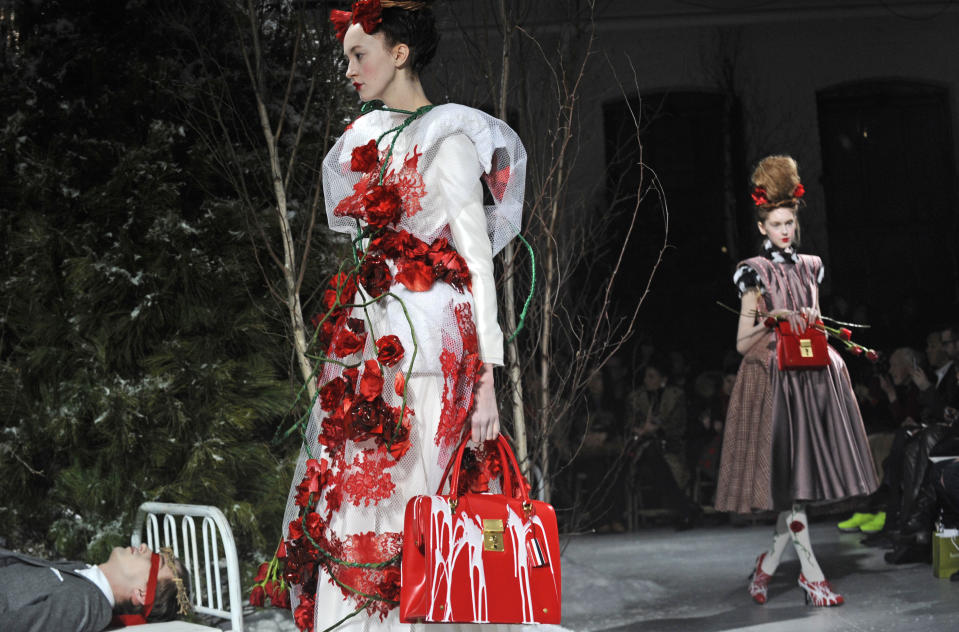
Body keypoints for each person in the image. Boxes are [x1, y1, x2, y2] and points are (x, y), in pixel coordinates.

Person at [277, 1, 526, 630]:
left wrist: (490, 375)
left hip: (437, 350)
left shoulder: (448, 136)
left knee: (423, 500)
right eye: (346, 59)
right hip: (373, 349)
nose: (351, 71)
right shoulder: (362, 140)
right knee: (365, 497)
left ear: (400, 52)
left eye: (359, 55)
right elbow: (365, 258)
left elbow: (476, 262)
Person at [714, 155, 878, 607]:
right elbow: (743, 341)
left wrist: (812, 322)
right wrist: (774, 318)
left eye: (789, 222)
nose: (784, 230)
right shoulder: (754, 272)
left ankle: (766, 569)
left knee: (796, 492)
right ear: (763, 226)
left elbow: (818, 321)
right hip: (774, 385)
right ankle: (813, 578)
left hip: (812, 379)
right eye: (776, 223)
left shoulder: (811, 266)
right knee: (793, 489)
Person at [0, 543, 190, 631]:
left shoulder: (86, 603)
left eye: (158, 562)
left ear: (141, 592)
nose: (144, 547)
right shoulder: (81, 571)